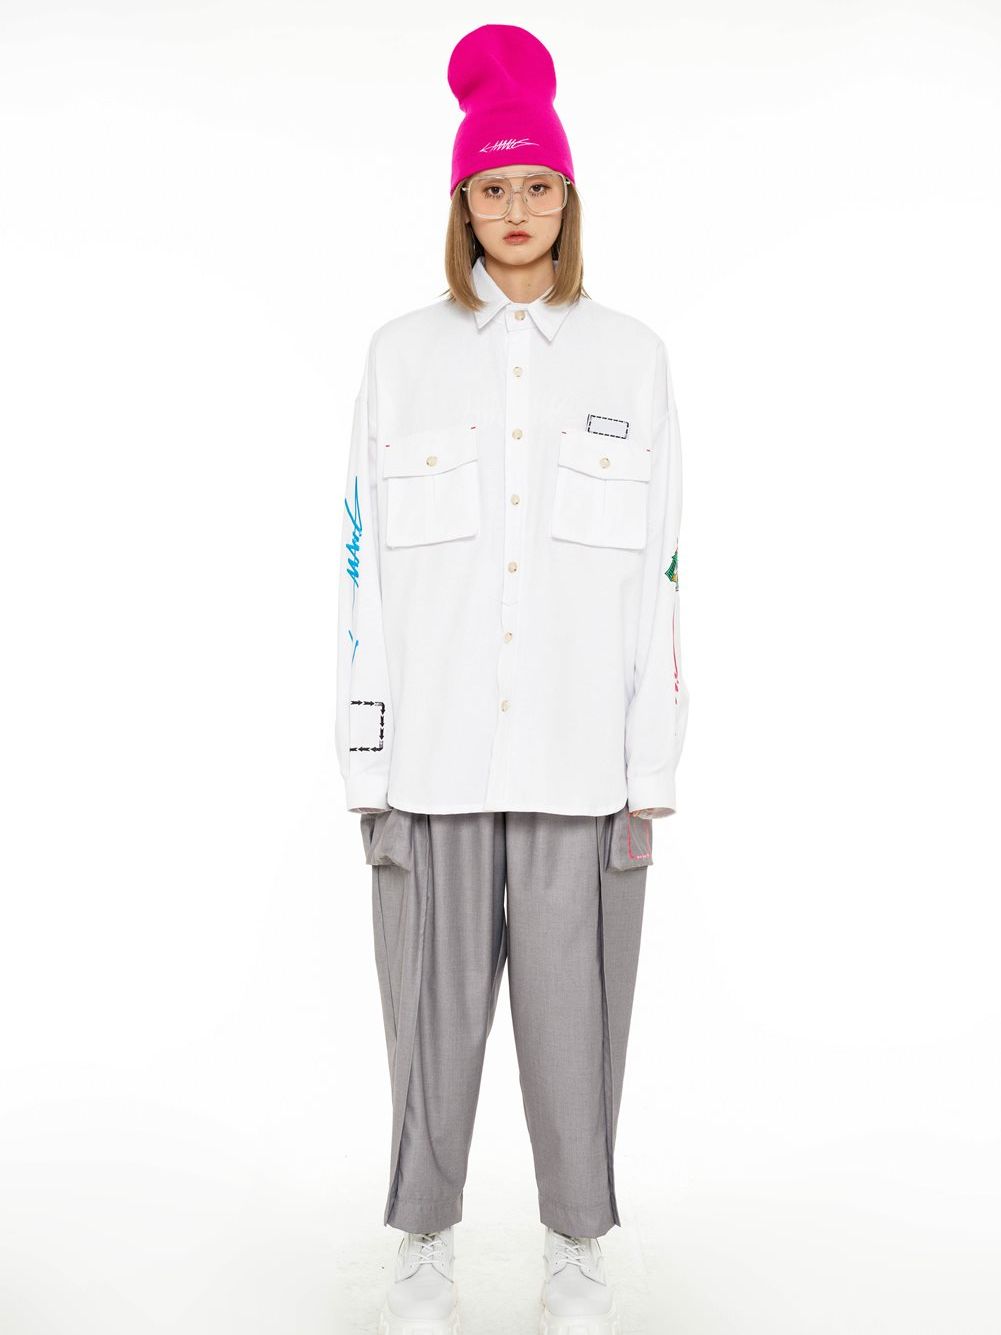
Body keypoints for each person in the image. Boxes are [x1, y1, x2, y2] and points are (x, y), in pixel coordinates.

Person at [335, 22, 689, 1335]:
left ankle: (577, 1249)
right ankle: (421, 1247)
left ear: (569, 196)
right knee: (426, 1026)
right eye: (492, 187)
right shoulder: (401, 356)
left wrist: (652, 759)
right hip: (429, 763)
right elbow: (361, 569)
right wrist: (364, 752)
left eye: (538, 184)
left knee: (576, 1028)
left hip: (581, 764)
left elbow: (662, 569)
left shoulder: (631, 357)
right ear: (462, 204)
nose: (517, 210)